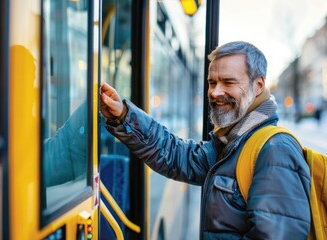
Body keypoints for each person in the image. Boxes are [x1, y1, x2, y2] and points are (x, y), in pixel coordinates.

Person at [100, 41, 311, 239]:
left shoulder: (275, 150)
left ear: (258, 85)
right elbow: (175, 155)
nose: (215, 92)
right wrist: (124, 115)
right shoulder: (235, 142)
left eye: (228, 82)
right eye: (212, 82)